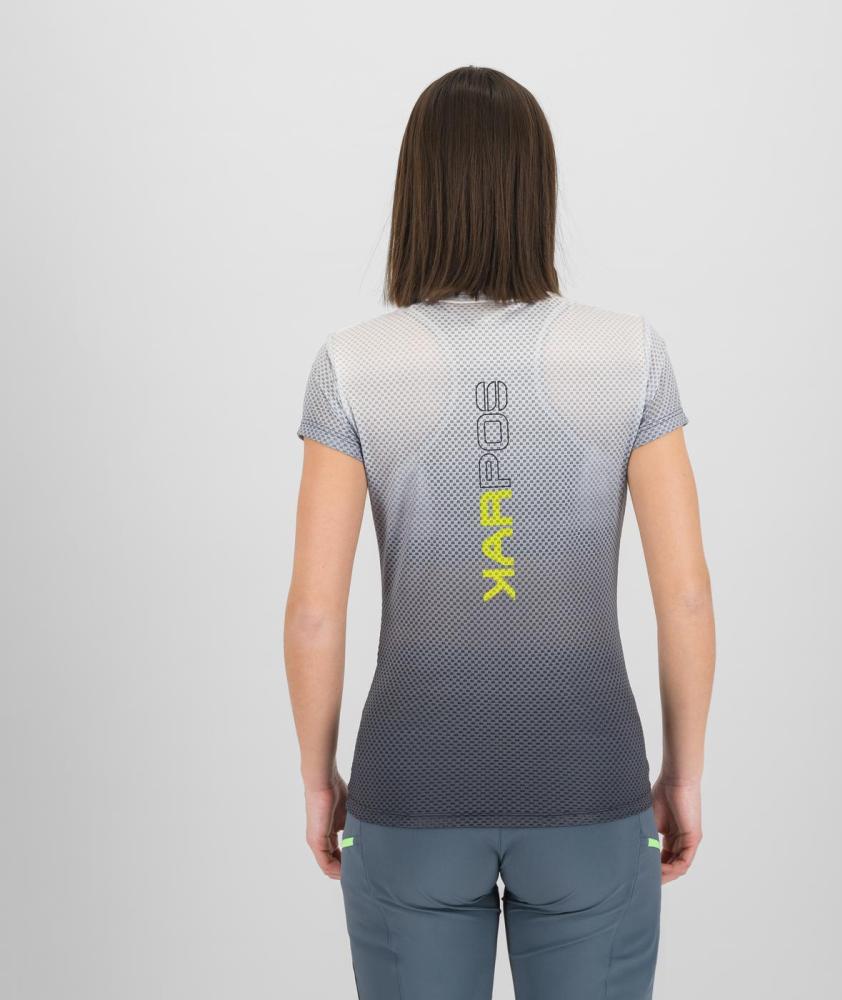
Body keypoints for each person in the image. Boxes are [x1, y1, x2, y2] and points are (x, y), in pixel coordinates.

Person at [284, 66, 715, 1000]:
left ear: (417, 193)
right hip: (591, 792)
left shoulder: (352, 366)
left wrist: (320, 781)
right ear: (536, 190)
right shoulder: (631, 354)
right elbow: (684, 595)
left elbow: (315, 613)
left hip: (409, 797)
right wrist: (682, 773)